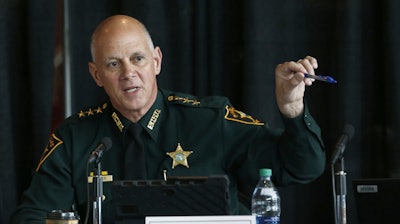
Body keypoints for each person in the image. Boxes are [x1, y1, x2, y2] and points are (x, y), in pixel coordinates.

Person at [12, 14, 325, 223]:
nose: (128, 74)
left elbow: (302, 167)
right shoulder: (74, 139)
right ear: (96, 74)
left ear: (156, 61)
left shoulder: (209, 121)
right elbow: (34, 216)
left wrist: (291, 106)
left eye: (138, 59)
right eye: (112, 64)